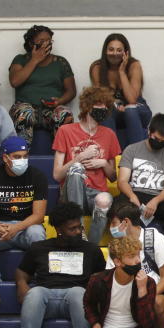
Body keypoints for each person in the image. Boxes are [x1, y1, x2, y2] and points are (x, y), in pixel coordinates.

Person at [16, 202, 106, 328]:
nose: (78, 231)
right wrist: (22, 284)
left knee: (78, 292)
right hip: (45, 297)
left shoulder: (91, 250)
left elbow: (102, 276)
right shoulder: (39, 247)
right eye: (72, 229)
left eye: (79, 227)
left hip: (75, 300)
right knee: (35, 293)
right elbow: (22, 272)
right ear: (58, 229)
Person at [52, 86, 119, 244]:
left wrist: (102, 162)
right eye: (98, 106)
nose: (102, 109)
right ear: (88, 106)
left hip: (96, 193)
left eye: (105, 107)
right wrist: (80, 157)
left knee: (104, 200)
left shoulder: (109, 134)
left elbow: (113, 176)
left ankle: (91, 247)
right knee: (77, 168)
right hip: (71, 192)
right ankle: (79, 229)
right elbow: (56, 174)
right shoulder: (65, 131)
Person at [0, 136, 48, 283]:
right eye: (17, 157)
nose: (22, 160)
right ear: (5, 157)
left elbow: (39, 216)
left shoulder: (37, 176)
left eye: (25, 156)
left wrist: (16, 228)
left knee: (37, 232)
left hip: (25, 227)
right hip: (0, 229)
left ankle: (38, 280)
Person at [107, 202, 164, 328]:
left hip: (155, 291)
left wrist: (147, 296)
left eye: (113, 223)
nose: (111, 228)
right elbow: (109, 278)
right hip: (125, 293)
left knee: (158, 303)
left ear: (126, 222)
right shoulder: (116, 245)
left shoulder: (154, 238)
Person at [117, 113, 164, 247]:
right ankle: (121, 246)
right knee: (118, 204)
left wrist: (156, 201)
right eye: (156, 138)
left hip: (158, 197)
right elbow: (122, 181)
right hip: (134, 194)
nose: (159, 143)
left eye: (163, 141)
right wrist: (132, 196)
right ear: (149, 131)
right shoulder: (131, 150)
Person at [9, 25, 76, 143]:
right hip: (25, 107)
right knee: (25, 112)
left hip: (51, 109)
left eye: (49, 41)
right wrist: (35, 60)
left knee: (64, 114)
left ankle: (62, 157)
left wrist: (59, 101)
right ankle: (22, 156)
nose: (46, 44)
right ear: (31, 44)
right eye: (41, 41)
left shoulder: (60, 62)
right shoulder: (21, 59)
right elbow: (15, 81)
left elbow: (71, 91)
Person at [90, 33, 152, 148]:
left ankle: (137, 157)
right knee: (105, 112)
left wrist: (122, 72)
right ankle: (111, 157)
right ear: (105, 51)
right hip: (112, 109)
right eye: (111, 50)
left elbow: (132, 99)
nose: (115, 54)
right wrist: (115, 106)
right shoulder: (97, 67)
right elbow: (99, 98)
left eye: (119, 50)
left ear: (126, 52)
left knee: (130, 110)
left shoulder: (134, 65)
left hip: (137, 110)